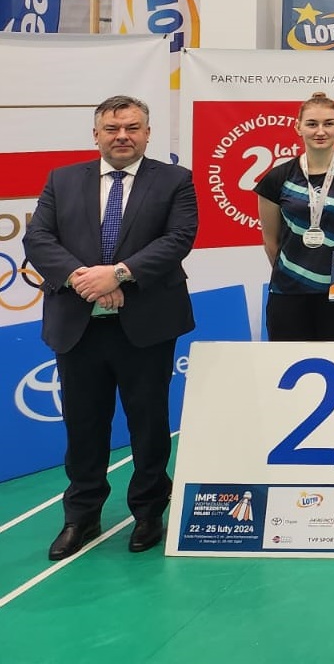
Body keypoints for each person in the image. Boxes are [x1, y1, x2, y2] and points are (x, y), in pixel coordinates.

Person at [22, 95, 198, 559]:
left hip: (147, 325)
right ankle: (81, 515)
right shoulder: (62, 180)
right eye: (113, 128)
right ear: (96, 134)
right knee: (83, 425)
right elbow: (38, 238)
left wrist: (118, 275)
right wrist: (87, 281)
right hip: (77, 325)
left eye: (133, 128)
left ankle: (148, 512)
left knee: (149, 423)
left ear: (148, 133)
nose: (123, 136)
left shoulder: (175, 180)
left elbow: (178, 239)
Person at [255, 92, 334, 341]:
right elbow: (271, 242)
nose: (320, 131)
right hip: (288, 294)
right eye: (312, 124)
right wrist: (294, 275)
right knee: (288, 363)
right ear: (298, 127)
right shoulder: (277, 178)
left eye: (328, 123)